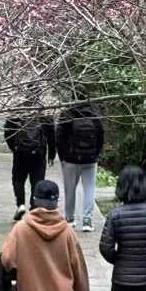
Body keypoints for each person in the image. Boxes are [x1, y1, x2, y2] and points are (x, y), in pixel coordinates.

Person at [56, 99, 104, 233]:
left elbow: (59, 137)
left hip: (70, 160)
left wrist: (62, 157)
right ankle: (87, 221)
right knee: (89, 189)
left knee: (70, 189)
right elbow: (101, 136)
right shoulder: (94, 114)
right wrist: (96, 154)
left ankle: (70, 219)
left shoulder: (67, 114)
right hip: (90, 159)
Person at [4, 99, 57, 222]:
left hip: (20, 153)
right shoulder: (44, 112)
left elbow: (7, 132)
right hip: (39, 153)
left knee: (18, 179)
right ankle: (34, 207)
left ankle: (20, 204)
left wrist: (14, 147)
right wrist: (52, 154)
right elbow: (51, 135)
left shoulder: (18, 111)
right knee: (37, 181)